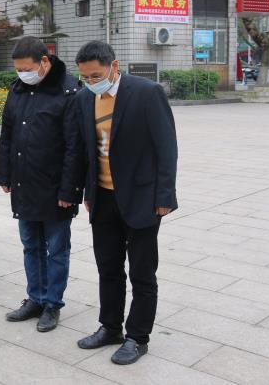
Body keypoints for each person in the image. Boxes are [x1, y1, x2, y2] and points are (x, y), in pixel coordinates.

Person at [73, 41, 177, 365]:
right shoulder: (83, 100)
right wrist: (88, 193)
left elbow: (166, 148)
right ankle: (110, 327)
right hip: (103, 198)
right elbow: (87, 152)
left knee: (142, 272)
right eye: (85, 78)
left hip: (143, 199)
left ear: (114, 67)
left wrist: (164, 197)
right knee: (108, 268)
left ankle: (137, 337)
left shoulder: (146, 93)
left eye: (96, 75)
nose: (91, 82)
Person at [0, 37, 83, 333]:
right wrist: (5, 174)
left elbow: (75, 146)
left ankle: (52, 303)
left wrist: (69, 190)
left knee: (56, 249)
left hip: (55, 187)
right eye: (18, 69)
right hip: (24, 182)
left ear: (44, 62)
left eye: (27, 68)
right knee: (30, 245)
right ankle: (35, 297)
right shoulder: (18, 88)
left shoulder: (69, 90)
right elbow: (7, 133)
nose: (22, 73)